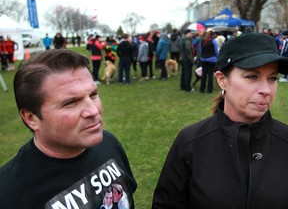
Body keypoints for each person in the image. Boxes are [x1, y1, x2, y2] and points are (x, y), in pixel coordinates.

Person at [152, 32, 288, 208]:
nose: (266, 90)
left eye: (272, 78)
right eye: (251, 77)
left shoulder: (284, 141)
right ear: (222, 80)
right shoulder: (191, 143)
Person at [0, 49, 137, 208]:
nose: (93, 110)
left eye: (93, 95)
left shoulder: (109, 143)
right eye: (70, 103)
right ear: (31, 118)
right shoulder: (8, 193)